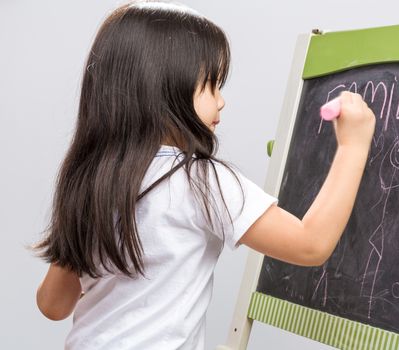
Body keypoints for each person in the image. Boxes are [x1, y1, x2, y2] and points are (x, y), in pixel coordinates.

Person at [33, 1, 376, 349]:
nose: (221, 100)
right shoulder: (200, 181)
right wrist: (352, 147)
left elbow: (53, 304)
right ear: (164, 91)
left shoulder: (91, 182)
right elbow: (310, 244)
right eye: (211, 85)